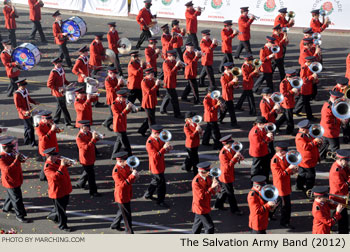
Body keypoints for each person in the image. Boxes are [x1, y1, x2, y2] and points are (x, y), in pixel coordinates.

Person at [0, 136, 29, 223]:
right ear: (5, 148)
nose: (14, 148)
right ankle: (20, 216)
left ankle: (6, 208)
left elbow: (18, 161)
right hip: (11, 181)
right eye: (11, 147)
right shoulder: (1, 158)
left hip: (16, 178)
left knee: (11, 196)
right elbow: (7, 170)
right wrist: (16, 160)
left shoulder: (11, 153)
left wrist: (21, 159)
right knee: (17, 199)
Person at [43, 147, 72, 232]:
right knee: (61, 211)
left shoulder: (57, 161)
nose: (57, 156)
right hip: (57, 191)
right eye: (54, 155)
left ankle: (53, 216)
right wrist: (62, 166)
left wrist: (68, 163)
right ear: (49, 156)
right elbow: (55, 177)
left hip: (64, 188)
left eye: (56, 154)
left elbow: (64, 167)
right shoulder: (47, 167)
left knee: (62, 207)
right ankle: (62, 225)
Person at [143, 125, 173, 207]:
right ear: (155, 133)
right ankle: (160, 201)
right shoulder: (149, 143)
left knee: (155, 181)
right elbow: (155, 156)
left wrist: (168, 148)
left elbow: (162, 150)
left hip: (160, 164)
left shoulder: (159, 138)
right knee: (161, 185)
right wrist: (164, 148)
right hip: (155, 165)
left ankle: (148, 194)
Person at [270, 142, 298, 229]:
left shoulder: (284, 157)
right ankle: (284, 222)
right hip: (281, 186)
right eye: (285, 151)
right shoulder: (274, 161)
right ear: (280, 151)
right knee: (286, 206)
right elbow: (280, 175)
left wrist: (293, 171)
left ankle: (269, 213)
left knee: (278, 202)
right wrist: (289, 169)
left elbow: (287, 169)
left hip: (286, 183)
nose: (286, 152)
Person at [214, 135, 243, 215]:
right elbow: (227, 166)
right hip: (225, 175)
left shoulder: (230, 149)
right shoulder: (222, 154)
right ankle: (234, 209)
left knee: (224, 191)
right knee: (230, 193)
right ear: (226, 144)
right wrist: (235, 158)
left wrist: (239, 157)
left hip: (229, 174)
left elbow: (235, 158)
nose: (232, 144)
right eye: (230, 143)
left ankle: (218, 204)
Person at [111, 151, 138, 233]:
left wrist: (134, 176)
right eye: (125, 161)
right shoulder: (116, 172)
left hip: (126, 192)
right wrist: (132, 175)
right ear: (120, 161)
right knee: (127, 215)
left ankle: (115, 224)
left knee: (122, 210)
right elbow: (122, 184)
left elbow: (129, 177)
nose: (127, 163)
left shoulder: (125, 165)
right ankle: (129, 231)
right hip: (121, 195)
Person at [191, 161, 219, 234]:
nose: (210, 173)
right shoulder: (196, 182)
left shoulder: (207, 178)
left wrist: (215, 187)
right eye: (208, 171)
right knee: (209, 227)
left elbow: (212, 191)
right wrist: (212, 187)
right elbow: (201, 196)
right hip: (200, 207)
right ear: (202, 172)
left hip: (205, 204)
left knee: (197, 226)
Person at [75, 120, 100, 198]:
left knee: (88, 172)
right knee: (91, 176)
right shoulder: (79, 137)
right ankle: (93, 192)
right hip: (86, 159)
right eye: (87, 127)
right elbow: (86, 147)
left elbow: (93, 142)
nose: (89, 128)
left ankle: (80, 183)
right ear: (82, 128)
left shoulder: (88, 133)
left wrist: (97, 137)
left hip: (91, 156)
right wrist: (93, 139)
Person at [295, 119, 321, 191]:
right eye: (307, 128)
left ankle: (299, 186)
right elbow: (306, 147)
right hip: (307, 161)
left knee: (302, 174)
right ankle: (309, 190)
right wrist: (314, 141)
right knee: (311, 176)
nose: (309, 129)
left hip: (307, 160)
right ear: (303, 129)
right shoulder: (300, 137)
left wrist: (318, 142)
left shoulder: (307, 134)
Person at [47, 57, 73, 128]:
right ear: (55, 64)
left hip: (62, 90)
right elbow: (49, 84)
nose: (61, 63)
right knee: (63, 107)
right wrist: (59, 88)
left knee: (60, 106)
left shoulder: (61, 69)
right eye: (59, 63)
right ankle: (68, 123)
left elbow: (63, 79)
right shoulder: (53, 72)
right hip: (57, 93)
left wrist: (69, 84)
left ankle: (56, 120)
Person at [329, 150, 350, 234]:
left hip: (340, 196)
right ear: (341, 160)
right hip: (338, 196)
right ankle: (343, 233)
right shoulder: (336, 171)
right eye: (346, 160)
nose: (348, 162)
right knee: (342, 217)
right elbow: (341, 187)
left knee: (337, 214)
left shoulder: (340, 166)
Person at [35, 111, 59, 181]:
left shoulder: (49, 123)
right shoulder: (39, 127)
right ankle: (43, 177)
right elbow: (43, 139)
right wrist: (51, 130)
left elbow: (55, 131)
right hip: (46, 148)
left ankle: (45, 175)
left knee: (50, 162)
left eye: (50, 119)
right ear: (43, 119)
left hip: (52, 145)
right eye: (48, 119)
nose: (50, 120)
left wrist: (56, 129)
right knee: (47, 163)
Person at [14, 78, 38, 147]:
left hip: (29, 111)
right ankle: (32, 142)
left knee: (26, 127)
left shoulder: (25, 90)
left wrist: (34, 102)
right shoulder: (17, 94)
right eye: (23, 85)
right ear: (19, 85)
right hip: (24, 114)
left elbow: (28, 98)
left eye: (25, 85)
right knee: (30, 128)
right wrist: (25, 112)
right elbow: (18, 107)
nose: (25, 86)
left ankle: (26, 140)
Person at [319, 91, 343, 159]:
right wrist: (340, 120)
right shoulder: (329, 107)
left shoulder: (328, 104)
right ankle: (337, 159)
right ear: (334, 99)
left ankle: (321, 157)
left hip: (325, 130)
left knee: (324, 144)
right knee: (335, 147)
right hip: (331, 132)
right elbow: (328, 121)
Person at [248, 116, 274, 182]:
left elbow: (265, 140)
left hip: (264, 151)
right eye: (264, 124)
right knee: (255, 168)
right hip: (257, 153)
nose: (266, 125)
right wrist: (267, 138)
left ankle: (266, 179)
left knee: (266, 167)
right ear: (259, 124)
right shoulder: (254, 132)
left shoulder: (262, 129)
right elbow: (258, 145)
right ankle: (253, 181)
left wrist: (269, 138)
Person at [160, 50, 183, 118]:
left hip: (172, 82)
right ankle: (177, 114)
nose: (175, 58)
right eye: (174, 56)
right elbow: (170, 73)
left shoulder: (172, 61)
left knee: (168, 96)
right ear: (169, 56)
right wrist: (176, 66)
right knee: (174, 99)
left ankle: (162, 109)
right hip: (168, 83)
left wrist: (180, 66)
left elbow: (176, 69)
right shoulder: (166, 63)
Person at [111, 90, 134, 158]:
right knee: (125, 142)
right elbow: (118, 116)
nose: (125, 99)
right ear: (120, 97)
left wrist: (130, 108)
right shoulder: (114, 104)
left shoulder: (122, 102)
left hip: (123, 124)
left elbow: (125, 113)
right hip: (118, 126)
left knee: (119, 141)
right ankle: (129, 155)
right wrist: (126, 109)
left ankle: (114, 155)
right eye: (124, 97)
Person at [294, 56, 318, 121]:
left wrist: (315, 79)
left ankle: (296, 110)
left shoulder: (311, 67)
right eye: (311, 62)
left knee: (303, 100)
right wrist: (311, 76)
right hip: (305, 88)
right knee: (307, 103)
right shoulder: (304, 68)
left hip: (309, 87)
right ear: (308, 62)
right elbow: (303, 79)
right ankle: (309, 116)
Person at [138, 68, 160, 136]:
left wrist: (158, 84)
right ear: (147, 75)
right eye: (152, 74)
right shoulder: (144, 81)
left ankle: (142, 130)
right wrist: (156, 85)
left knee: (150, 118)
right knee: (151, 120)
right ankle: (152, 133)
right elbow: (149, 92)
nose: (153, 75)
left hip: (152, 101)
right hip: (147, 102)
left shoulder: (151, 80)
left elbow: (155, 90)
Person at [275, 69, 299, 135]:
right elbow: (283, 94)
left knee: (286, 116)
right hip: (286, 102)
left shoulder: (291, 81)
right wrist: (292, 91)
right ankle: (290, 130)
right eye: (292, 77)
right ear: (288, 77)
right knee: (289, 118)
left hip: (290, 101)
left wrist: (296, 92)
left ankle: (276, 125)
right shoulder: (283, 83)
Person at [102, 66, 124, 131]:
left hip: (116, 98)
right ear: (110, 73)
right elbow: (112, 90)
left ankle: (110, 124)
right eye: (114, 73)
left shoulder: (114, 78)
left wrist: (121, 83)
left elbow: (118, 87)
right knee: (113, 114)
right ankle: (106, 123)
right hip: (111, 98)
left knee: (114, 114)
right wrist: (118, 84)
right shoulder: (107, 80)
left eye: (115, 73)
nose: (115, 75)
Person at [218, 62, 239, 128]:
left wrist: (235, 85)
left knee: (225, 109)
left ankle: (219, 119)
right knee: (231, 110)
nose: (231, 69)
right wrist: (233, 81)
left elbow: (230, 85)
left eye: (231, 68)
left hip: (230, 93)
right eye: (229, 68)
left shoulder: (231, 74)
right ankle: (234, 123)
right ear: (226, 68)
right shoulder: (223, 76)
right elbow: (225, 86)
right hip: (226, 95)